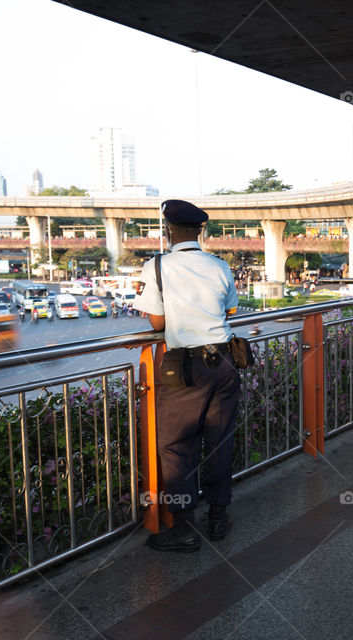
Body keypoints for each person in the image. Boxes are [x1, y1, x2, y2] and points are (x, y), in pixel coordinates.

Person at [134, 199, 241, 553]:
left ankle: (183, 529)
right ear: (199, 231)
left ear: (169, 230)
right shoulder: (219, 265)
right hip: (224, 362)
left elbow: (157, 323)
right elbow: (228, 310)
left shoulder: (158, 266)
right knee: (219, 440)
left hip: (186, 368)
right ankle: (218, 517)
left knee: (176, 444)